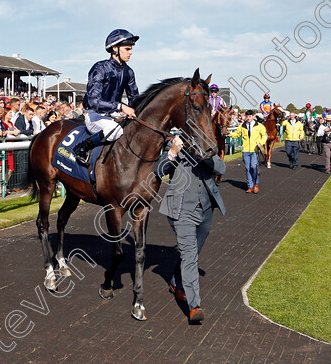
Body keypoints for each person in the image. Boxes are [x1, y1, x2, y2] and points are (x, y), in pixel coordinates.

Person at [154, 133, 226, 324]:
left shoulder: (205, 146)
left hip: (206, 211)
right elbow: (159, 170)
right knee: (190, 255)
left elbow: (221, 168)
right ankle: (194, 306)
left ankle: (176, 282)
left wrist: (207, 157)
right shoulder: (174, 144)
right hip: (181, 211)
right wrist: (173, 151)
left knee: (193, 253)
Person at [72, 29, 139, 166]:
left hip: (113, 115)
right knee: (115, 131)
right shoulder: (100, 68)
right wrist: (120, 106)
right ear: (115, 48)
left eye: (131, 49)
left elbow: (134, 98)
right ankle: (82, 147)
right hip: (95, 115)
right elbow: (93, 101)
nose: (130, 52)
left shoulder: (129, 72)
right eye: (127, 49)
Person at [228, 110, 266, 193]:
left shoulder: (259, 126)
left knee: (253, 167)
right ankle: (250, 186)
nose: (248, 118)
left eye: (250, 116)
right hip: (245, 150)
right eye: (247, 116)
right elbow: (237, 134)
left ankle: (256, 184)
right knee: (248, 168)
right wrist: (229, 133)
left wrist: (260, 143)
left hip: (254, 150)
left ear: (253, 116)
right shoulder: (243, 126)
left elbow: (264, 136)